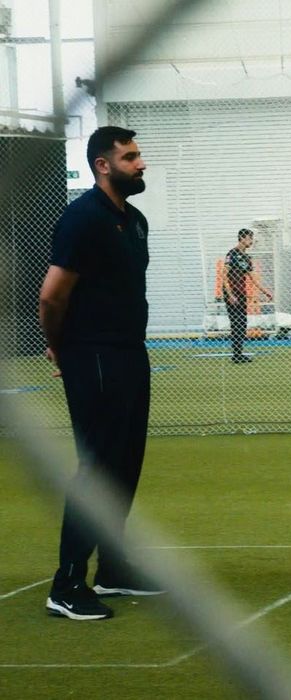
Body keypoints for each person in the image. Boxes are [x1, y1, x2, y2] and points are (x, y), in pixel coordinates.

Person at [38, 126, 164, 620]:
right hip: (92, 354)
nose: (141, 164)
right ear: (102, 166)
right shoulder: (82, 218)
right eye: (131, 157)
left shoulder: (133, 221)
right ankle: (67, 584)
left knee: (126, 462)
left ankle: (111, 568)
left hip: (130, 352)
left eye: (139, 155)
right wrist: (56, 344)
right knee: (97, 466)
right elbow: (52, 295)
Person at [222, 228, 273, 363]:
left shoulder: (246, 257)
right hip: (231, 294)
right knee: (235, 322)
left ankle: (238, 353)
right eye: (250, 238)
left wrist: (265, 291)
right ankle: (236, 355)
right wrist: (230, 294)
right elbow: (224, 276)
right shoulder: (231, 254)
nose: (252, 241)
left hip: (241, 293)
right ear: (242, 238)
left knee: (242, 322)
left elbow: (252, 277)